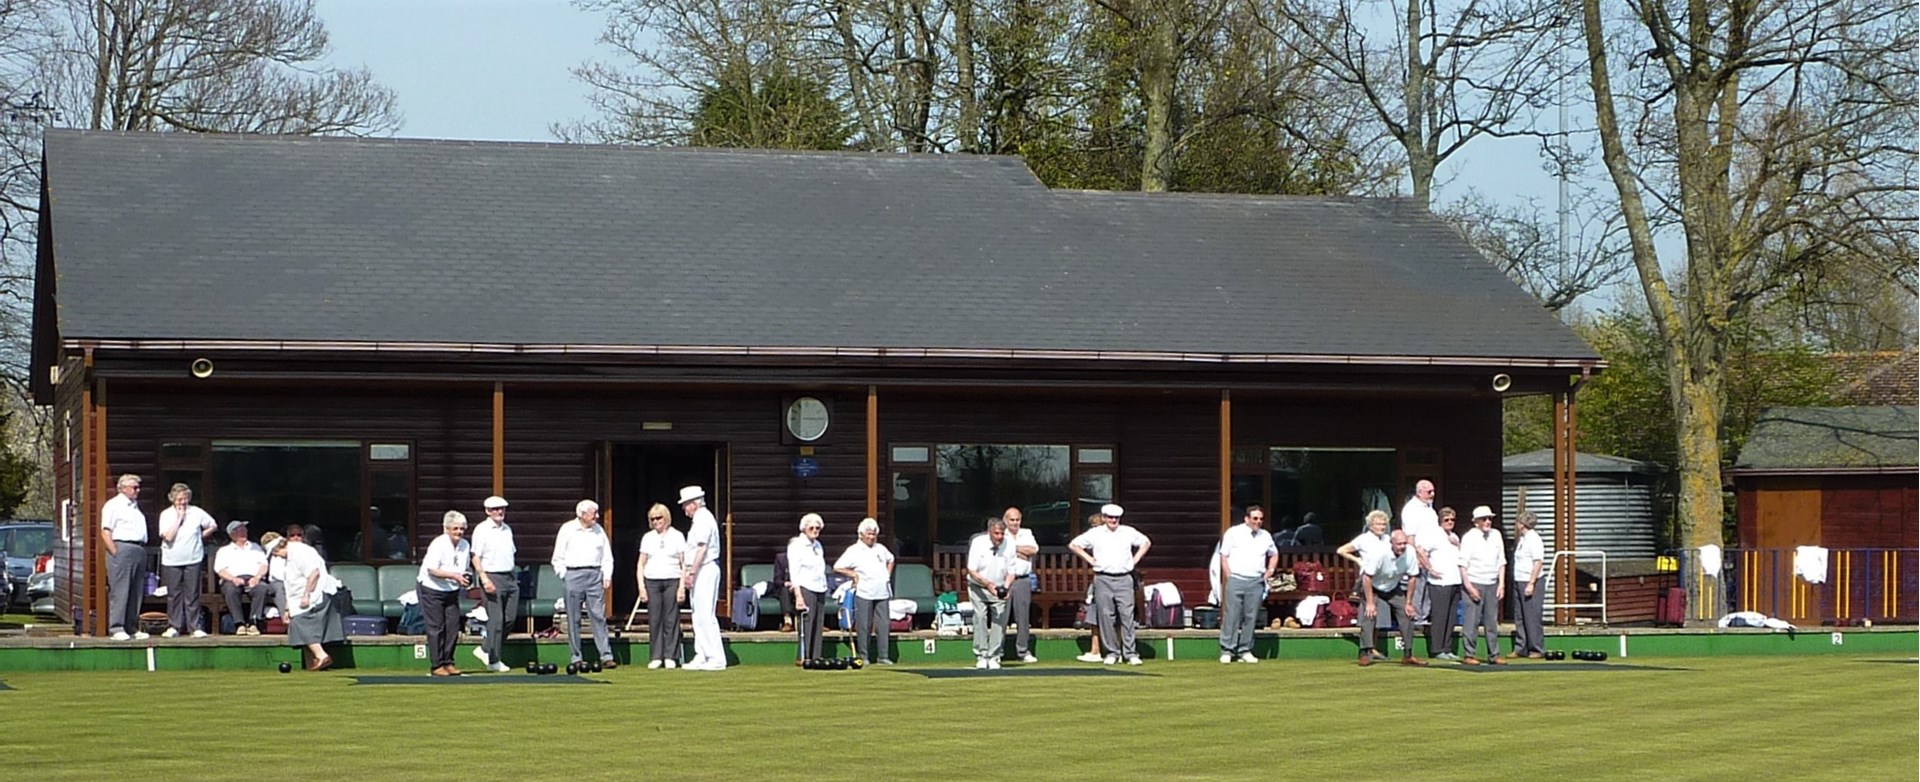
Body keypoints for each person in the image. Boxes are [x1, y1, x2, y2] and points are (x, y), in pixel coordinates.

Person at [1068, 503, 1150, 665]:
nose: (1113, 520)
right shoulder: (1095, 533)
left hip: (1124, 578)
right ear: (1104, 518)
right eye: (1110, 517)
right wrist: (1090, 559)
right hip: (1103, 578)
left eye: (1116, 518)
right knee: (1106, 617)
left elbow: (1146, 542)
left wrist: (1135, 560)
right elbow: (1074, 545)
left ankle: (1130, 653)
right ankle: (1112, 653)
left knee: (1127, 616)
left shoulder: (1128, 532)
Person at [552, 499, 617, 670]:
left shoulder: (599, 531)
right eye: (593, 513)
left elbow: (607, 555)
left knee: (598, 616)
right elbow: (557, 557)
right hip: (573, 574)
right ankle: (576, 657)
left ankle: (606, 655)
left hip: (595, 575)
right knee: (574, 619)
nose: (597, 516)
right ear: (582, 514)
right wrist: (565, 575)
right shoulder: (567, 529)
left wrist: (606, 575)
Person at [264, 529, 342, 670]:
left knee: (300, 622)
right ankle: (312, 661)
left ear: (278, 547)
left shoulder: (299, 552)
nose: (276, 556)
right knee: (298, 622)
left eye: (275, 553)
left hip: (316, 592)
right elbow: (290, 585)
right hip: (301, 596)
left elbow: (314, 573)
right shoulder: (289, 556)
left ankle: (321, 656)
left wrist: (307, 594)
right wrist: (288, 608)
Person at [1218, 504, 1278, 664]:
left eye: (1260, 519)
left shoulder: (1265, 536)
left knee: (1251, 617)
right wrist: (1229, 576)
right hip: (1236, 579)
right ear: (1247, 519)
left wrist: (1270, 570)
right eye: (1255, 518)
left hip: (1256, 581)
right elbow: (1224, 556)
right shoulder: (1233, 533)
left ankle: (1245, 650)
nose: (1258, 521)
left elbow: (1274, 554)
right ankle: (1227, 650)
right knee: (1232, 616)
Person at [1356, 531, 1427, 667]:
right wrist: (1370, 603)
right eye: (1399, 544)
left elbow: (1413, 577)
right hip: (1373, 586)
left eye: (1404, 543)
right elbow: (1366, 577)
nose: (1402, 547)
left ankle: (1408, 654)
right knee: (1369, 615)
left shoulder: (1410, 553)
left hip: (1393, 587)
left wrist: (1408, 603)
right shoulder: (1379, 553)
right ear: (1391, 543)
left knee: (1407, 615)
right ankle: (1364, 653)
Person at [157, 482, 216, 638]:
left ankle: (194, 626)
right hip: (172, 559)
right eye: (179, 499)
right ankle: (174, 626)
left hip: (193, 558)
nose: (182, 502)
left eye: (185, 498)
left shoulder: (196, 512)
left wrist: (201, 536)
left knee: (192, 594)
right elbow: (168, 536)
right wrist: (179, 518)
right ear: (172, 499)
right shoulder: (166, 514)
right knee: (174, 594)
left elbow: (212, 525)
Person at [834, 517, 895, 665]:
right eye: (869, 533)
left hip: (882, 592)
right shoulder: (854, 550)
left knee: (883, 624)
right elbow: (838, 566)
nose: (871, 537)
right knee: (864, 625)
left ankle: (883, 656)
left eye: (874, 534)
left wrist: (887, 575)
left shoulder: (880, 548)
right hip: (864, 592)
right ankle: (864, 656)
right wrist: (854, 574)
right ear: (861, 534)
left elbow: (891, 559)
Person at [418, 510, 472, 676]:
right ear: (446, 528)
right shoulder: (438, 544)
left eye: (462, 529)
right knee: (436, 627)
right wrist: (454, 576)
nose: (459, 532)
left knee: (453, 627)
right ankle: (436, 665)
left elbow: (464, 568)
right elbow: (432, 569)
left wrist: (465, 578)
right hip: (431, 588)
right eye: (455, 528)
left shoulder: (465, 545)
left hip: (451, 590)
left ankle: (448, 662)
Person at [469, 495, 517, 673]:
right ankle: (493, 660)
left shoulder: (507, 529)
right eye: (496, 509)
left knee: (510, 619)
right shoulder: (482, 530)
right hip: (491, 576)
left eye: (502, 508)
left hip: (510, 577)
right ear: (488, 511)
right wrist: (484, 578)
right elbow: (475, 556)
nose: (500, 512)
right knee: (496, 621)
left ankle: (485, 649)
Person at [636, 502, 687, 669]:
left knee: (671, 619)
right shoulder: (648, 538)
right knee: (655, 618)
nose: (656, 521)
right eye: (652, 519)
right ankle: (656, 656)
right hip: (652, 581)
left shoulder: (677, 536)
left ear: (666, 518)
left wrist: (681, 587)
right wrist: (641, 587)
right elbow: (641, 564)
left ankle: (671, 656)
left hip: (672, 580)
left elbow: (683, 563)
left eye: (659, 518)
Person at [679, 486, 726, 671]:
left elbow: (702, 548)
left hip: (705, 569)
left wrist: (691, 572)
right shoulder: (699, 519)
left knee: (706, 614)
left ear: (694, 503)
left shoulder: (704, 519)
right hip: (699, 570)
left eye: (685, 505)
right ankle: (702, 654)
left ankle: (716, 657)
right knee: (697, 614)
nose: (684, 509)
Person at [1339, 510, 1395, 661]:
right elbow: (1342, 550)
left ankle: (1373, 648)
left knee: (1379, 615)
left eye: (1384, 524)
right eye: (1378, 524)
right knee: (1368, 614)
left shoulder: (1387, 539)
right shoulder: (1363, 539)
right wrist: (1357, 560)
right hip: (1367, 579)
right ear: (1370, 525)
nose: (1381, 527)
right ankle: (1366, 649)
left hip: (1383, 581)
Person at [101, 473, 150, 641]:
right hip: (122, 547)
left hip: (138, 548)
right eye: (134, 487)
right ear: (122, 488)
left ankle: (132, 626)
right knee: (120, 590)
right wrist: (114, 551)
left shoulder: (135, 507)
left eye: (138, 487)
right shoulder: (114, 505)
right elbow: (106, 530)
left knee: (136, 591)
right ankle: (117, 627)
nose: (138, 490)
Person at [1457, 505, 1507, 665]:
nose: (1488, 522)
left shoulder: (1496, 535)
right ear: (1476, 521)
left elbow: (1502, 561)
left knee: (1491, 622)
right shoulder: (1469, 537)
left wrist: (1502, 584)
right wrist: (1469, 587)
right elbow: (1462, 565)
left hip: (1492, 583)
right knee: (1471, 622)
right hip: (1475, 582)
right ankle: (1469, 654)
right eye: (1484, 519)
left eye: (1490, 519)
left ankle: (1494, 654)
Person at [966, 517, 1015, 669]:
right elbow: (972, 570)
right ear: (989, 532)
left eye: (1002, 534)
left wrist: (1005, 588)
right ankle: (981, 655)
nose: (1000, 537)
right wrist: (987, 584)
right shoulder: (978, 543)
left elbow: (1012, 571)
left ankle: (995, 656)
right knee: (980, 617)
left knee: (1000, 621)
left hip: (999, 586)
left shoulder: (1010, 543)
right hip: (978, 585)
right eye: (996, 534)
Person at [1420, 508, 1463, 660]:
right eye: (1447, 520)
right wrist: (1430, 568)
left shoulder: (1454, 536)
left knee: (1451, 617)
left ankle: (1447, 648)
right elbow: (1420, 550)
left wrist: (1458, 544)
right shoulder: (1434, 534)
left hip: (1455, 580)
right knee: (1440, 616)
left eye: (1452, 520)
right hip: (1439, 583)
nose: (1450, 522)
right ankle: (1437, 649)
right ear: (1440, 521)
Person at [213, 520, 269, 635]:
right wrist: (233, 579)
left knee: (262, 588)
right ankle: (239, 624)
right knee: (231, 590)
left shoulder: (256, 547)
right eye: (240, 530)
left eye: (244, 529)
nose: (244, 532)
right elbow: (220, 570)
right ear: (232, 534)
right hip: (232, 579)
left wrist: (257, 577)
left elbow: (264, 565)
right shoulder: (224, 551)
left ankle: (253, 623)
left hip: (253, 578)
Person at [787, 513, 829, 664]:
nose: (815, 530)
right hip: (805, 587)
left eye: (818, 528)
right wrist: (798, 596)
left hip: (820, 587)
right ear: (804, 528)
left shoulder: (818, 545)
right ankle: (803, 656)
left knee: (819, 623)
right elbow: (794, 572)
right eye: (812, 527)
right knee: (807, 622)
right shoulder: (796, 546)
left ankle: (816, 656)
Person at [1002, 506, 1039, 663]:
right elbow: (1000, 552)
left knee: (1023, 617)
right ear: (1005, 520)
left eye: (1017, 520)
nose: (1015, 523)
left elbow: (1033, 550)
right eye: (1012, 520)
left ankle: (1023, 651)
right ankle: (997, 651)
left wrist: (1013, 549)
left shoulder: (1027, 533)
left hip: (1023, 579)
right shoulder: (1000, 534)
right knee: (1001, 616)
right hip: (1004, 580)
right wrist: (1019, 552)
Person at [1400, 480, 1439, 625]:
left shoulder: (1429, 508)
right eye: (1429, 492)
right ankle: (1416, 620)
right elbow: (1410, 536)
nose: (1432, 494)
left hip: (1431, 555)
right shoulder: (1411, 509)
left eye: (1433, 491)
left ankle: (1424, 617)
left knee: (1428, 589)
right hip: (1418, 554)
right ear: (1419, 492)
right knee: (1418, 588)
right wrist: (1415, 556)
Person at [1510, 511, 1547, 659]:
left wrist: (1531, 583)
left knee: (1532, 616)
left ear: (1522, 524)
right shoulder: (1522, 539)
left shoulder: (1534, 539)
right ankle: (1521, 647)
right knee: (1519, 616)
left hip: (1531, 581)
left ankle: (1536, 648)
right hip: (1519, 579)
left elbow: (1538, 562)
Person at [1073, 513, 1108, 663]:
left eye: (1096, 526)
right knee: (1093, 614)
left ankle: (1117, 651)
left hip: (1112, 581)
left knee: (1116, 617)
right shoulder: (1094, 541)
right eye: (1092, 527)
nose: (1093, 530)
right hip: (1098, 580)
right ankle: (1095, 651)